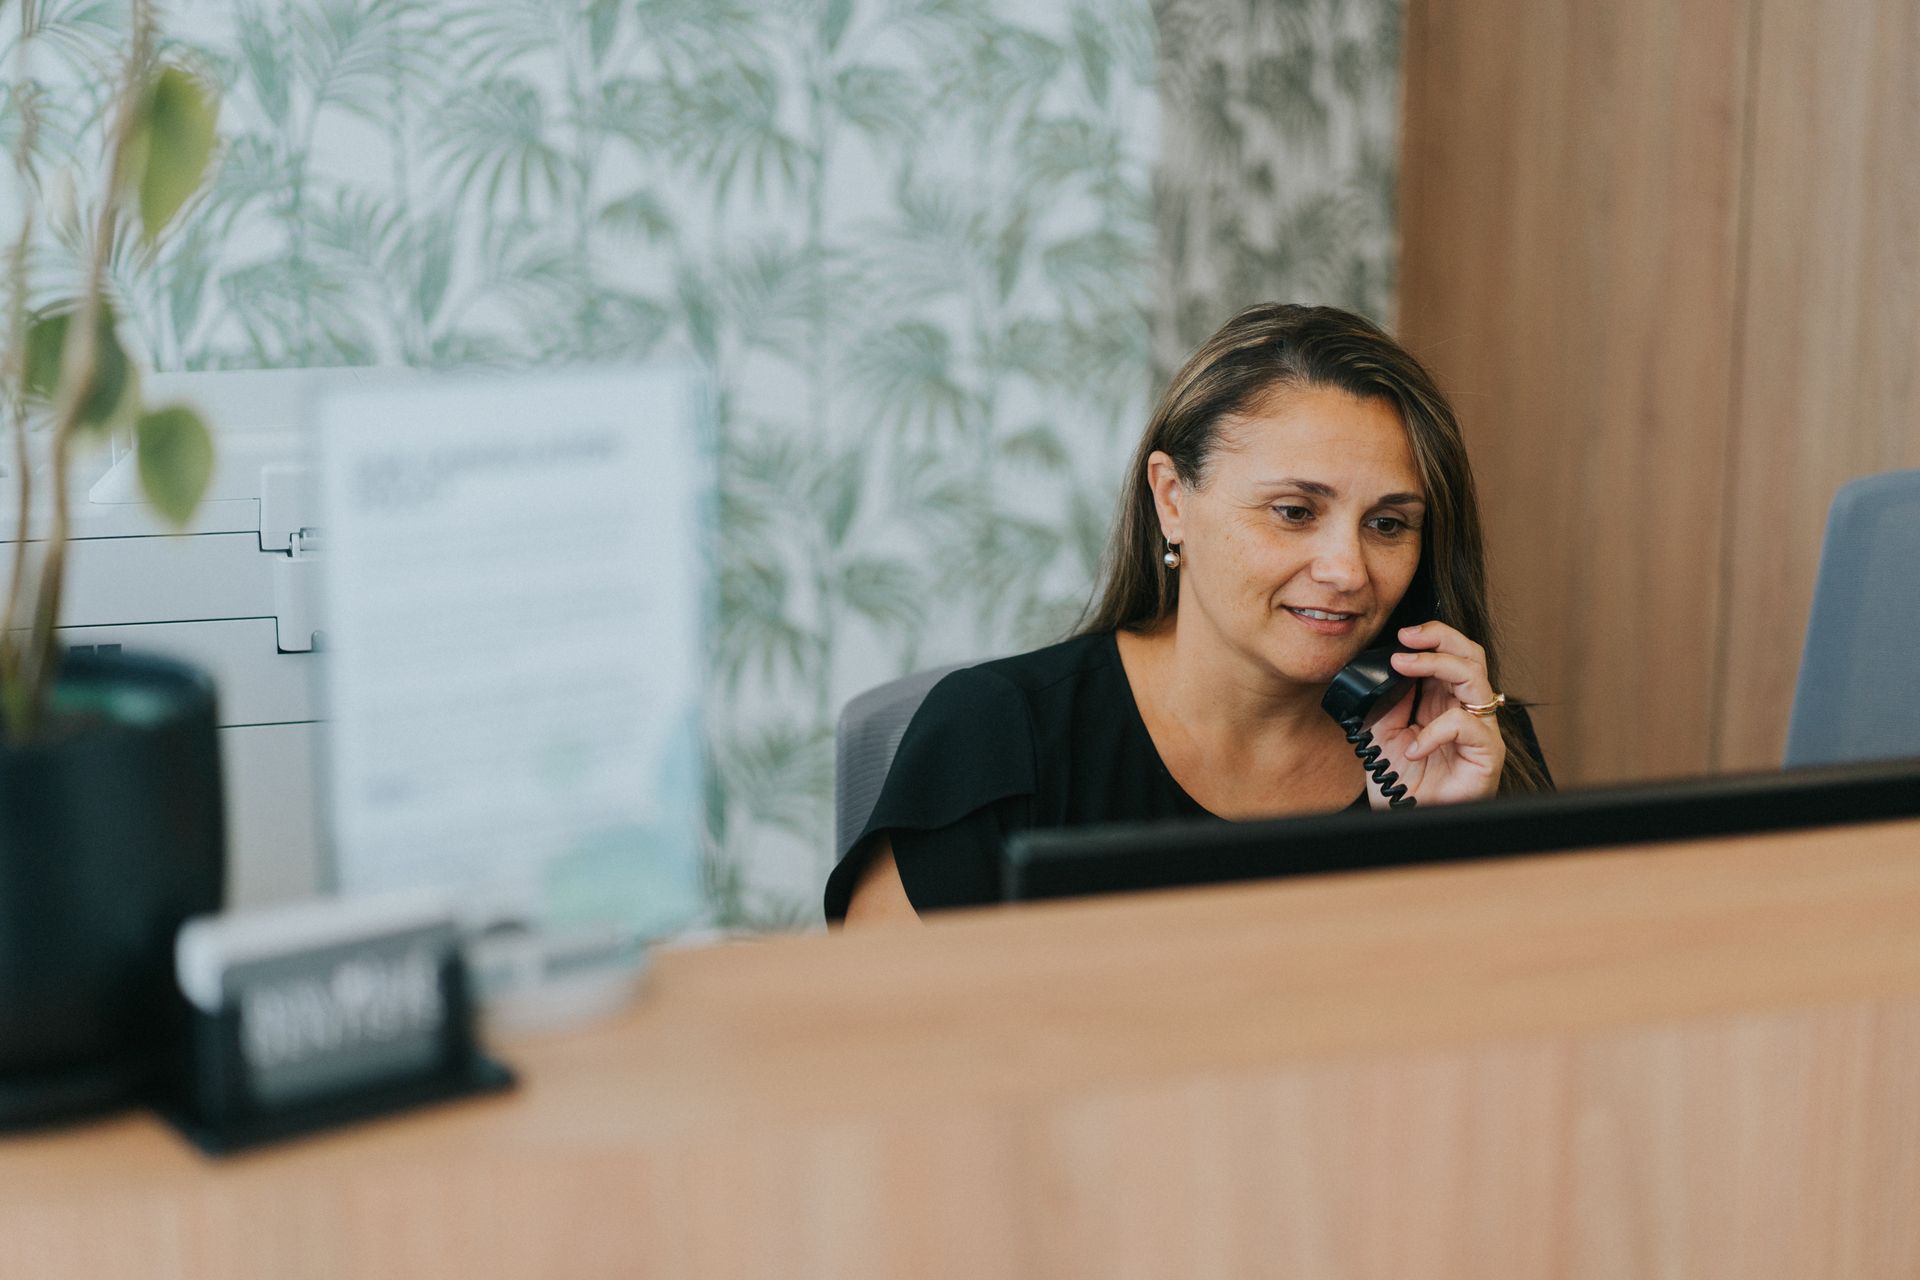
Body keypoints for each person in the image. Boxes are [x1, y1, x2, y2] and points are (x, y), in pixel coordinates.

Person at [825, 303, 1552, 926]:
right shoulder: (999, 732)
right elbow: (874, 1050)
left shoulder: (1466, 736)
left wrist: (1448, 839)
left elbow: (1552, 1034)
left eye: (1389, 525)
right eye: (1294, 512)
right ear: (1173, 499)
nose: (1347, 570)